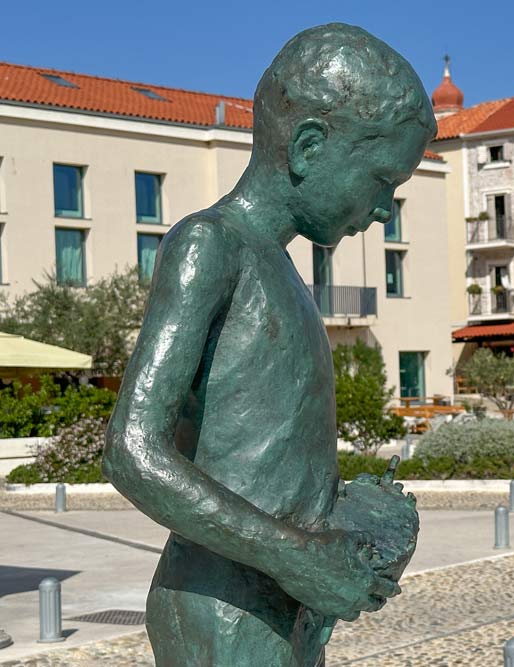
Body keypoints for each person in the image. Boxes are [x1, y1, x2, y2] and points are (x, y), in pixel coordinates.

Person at [103, 23, 435, 666]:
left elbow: (265, 458)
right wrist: (297, 557)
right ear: (309, 147)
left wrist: (352, 523)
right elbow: (132, 451)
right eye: (381, 180)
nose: (384, 209)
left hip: (281, 606)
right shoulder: (210, 245)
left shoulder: (282, 267)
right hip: (225, 611)